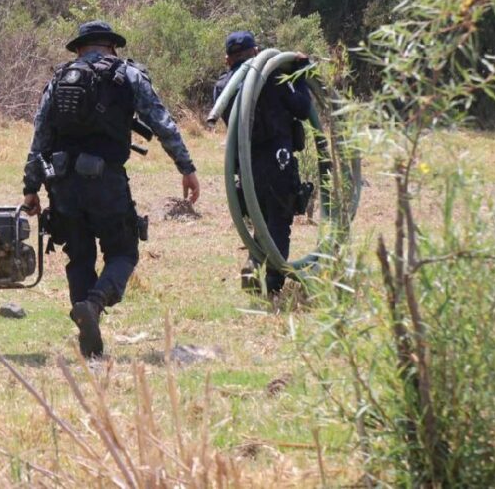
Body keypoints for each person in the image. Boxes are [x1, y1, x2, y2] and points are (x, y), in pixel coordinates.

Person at [22, 20, 200, 358]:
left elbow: (39, 137)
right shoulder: (127, 75)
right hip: (105, 181)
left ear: (78, 49)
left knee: (79, 256)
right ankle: (95, 302)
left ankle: (88, 337)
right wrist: (186, 168)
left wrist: (31, 187)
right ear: (112, 47)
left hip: (61, 184)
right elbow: (162, 123)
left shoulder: (58, 79)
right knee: (123, 252)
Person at [211, 30, 311, 294]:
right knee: (279, 221)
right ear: (256, 52)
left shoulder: (222, 87)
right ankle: (272, 285)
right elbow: (301, 107)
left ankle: (253, 264)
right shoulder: (273, 77)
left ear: (227, 59)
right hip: (278, 160)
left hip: (247, 165)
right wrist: (301, 74)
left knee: (261, 218)